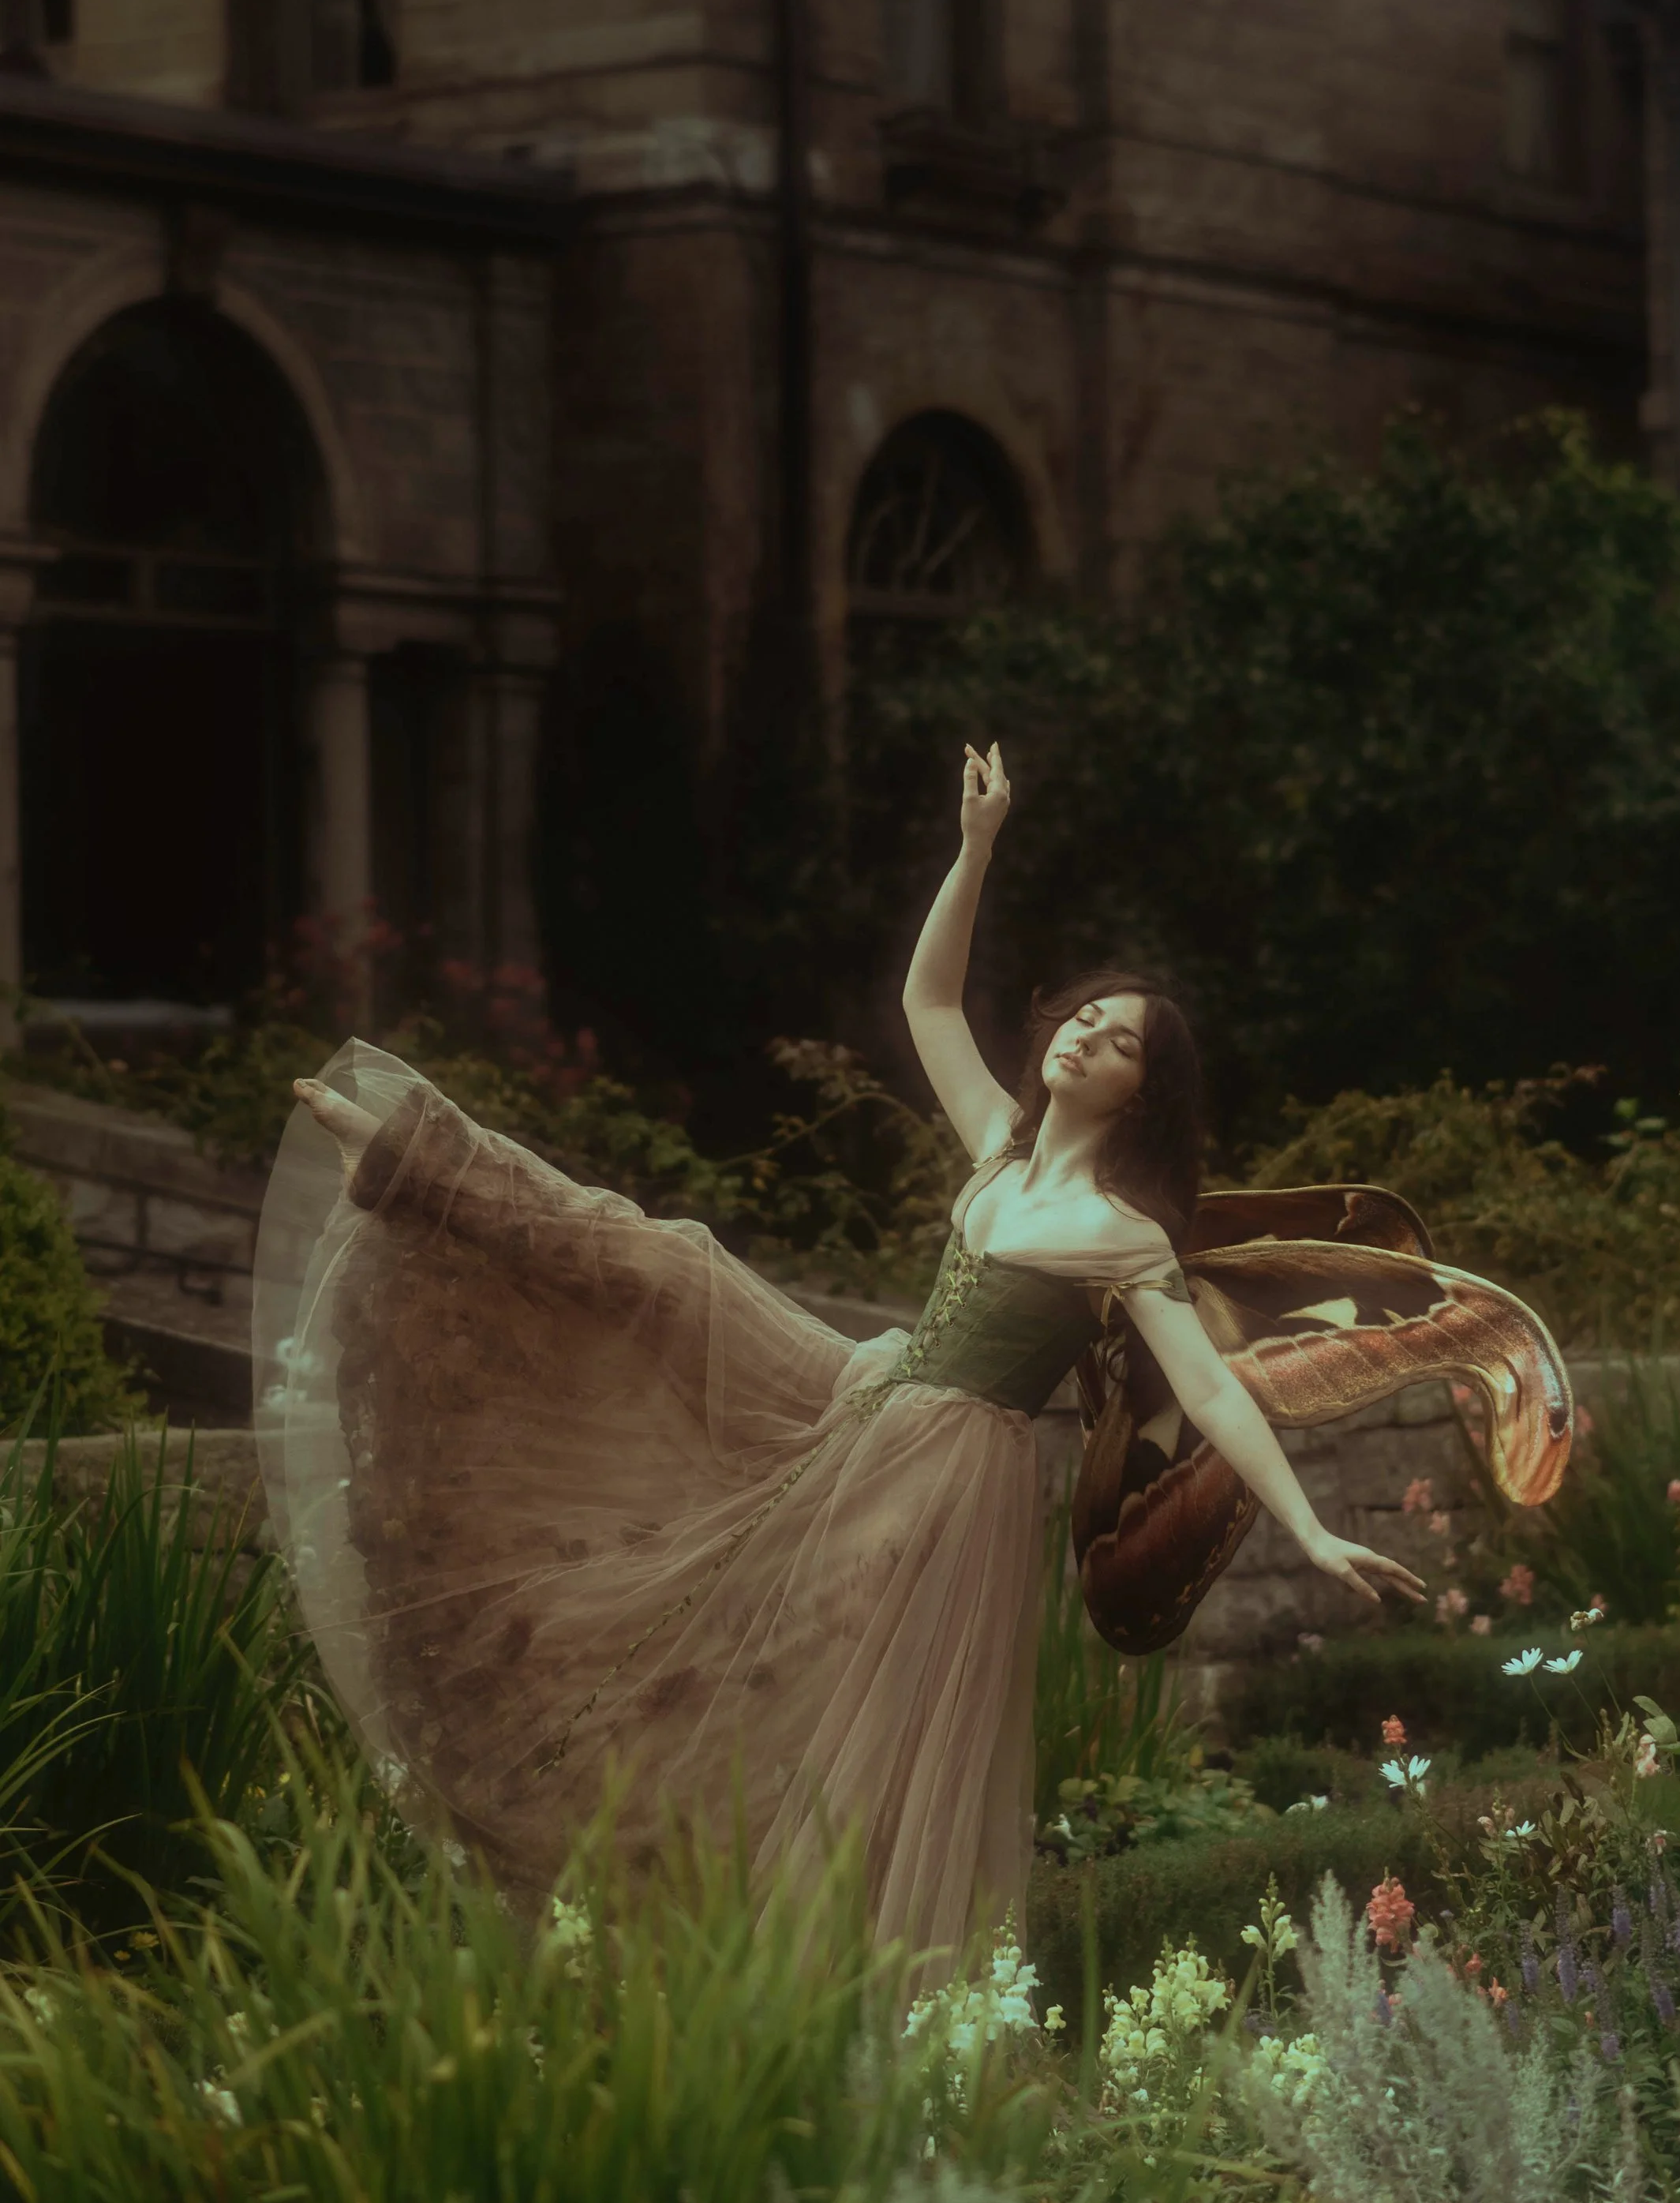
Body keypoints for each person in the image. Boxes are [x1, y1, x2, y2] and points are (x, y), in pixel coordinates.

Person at [261, 740, 1422, 1969]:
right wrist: (975, 848)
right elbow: (929, 1002)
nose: (1085, 1037)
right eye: (1083, 1016)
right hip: (875, 1392)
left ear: (1144, 1094)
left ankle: (851, 1991)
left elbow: (1206, 1389)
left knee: (852, 1705)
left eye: (1120, 1039)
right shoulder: (998, 1150)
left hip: (954, 1475)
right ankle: (413, 1174)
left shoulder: (1124, 1236)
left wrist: (1307, 1528)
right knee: (667, 1273)